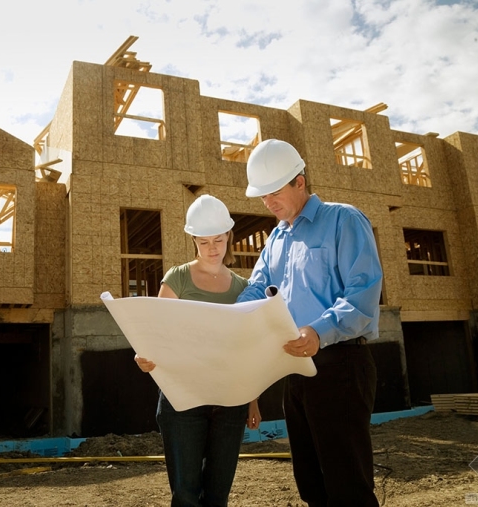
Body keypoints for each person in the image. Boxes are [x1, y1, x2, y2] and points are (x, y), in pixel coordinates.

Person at [236, 139, 383, 507]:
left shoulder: (344, 220)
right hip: (295, 368)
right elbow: (257, 288)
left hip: (340, 364)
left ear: (299, 182)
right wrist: (230, 318)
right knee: (311, 484)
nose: (267, 202)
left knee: (346, 485)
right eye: (262, 195)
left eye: (274, 192)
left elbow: (363, 292)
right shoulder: (276, 240)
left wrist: (320, 330)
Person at [134, 194, 262, 507]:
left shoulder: (244, 288)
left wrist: (252, 401)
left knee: (218, 495)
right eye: (203, 242)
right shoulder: (177, 278)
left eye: (218, 240)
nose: (213, 248)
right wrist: (145, 356)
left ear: (229, 236)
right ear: (193, 240)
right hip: (183, 400)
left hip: (230, 400)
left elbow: (246, 348)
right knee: (186, 495)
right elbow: (156, 333)